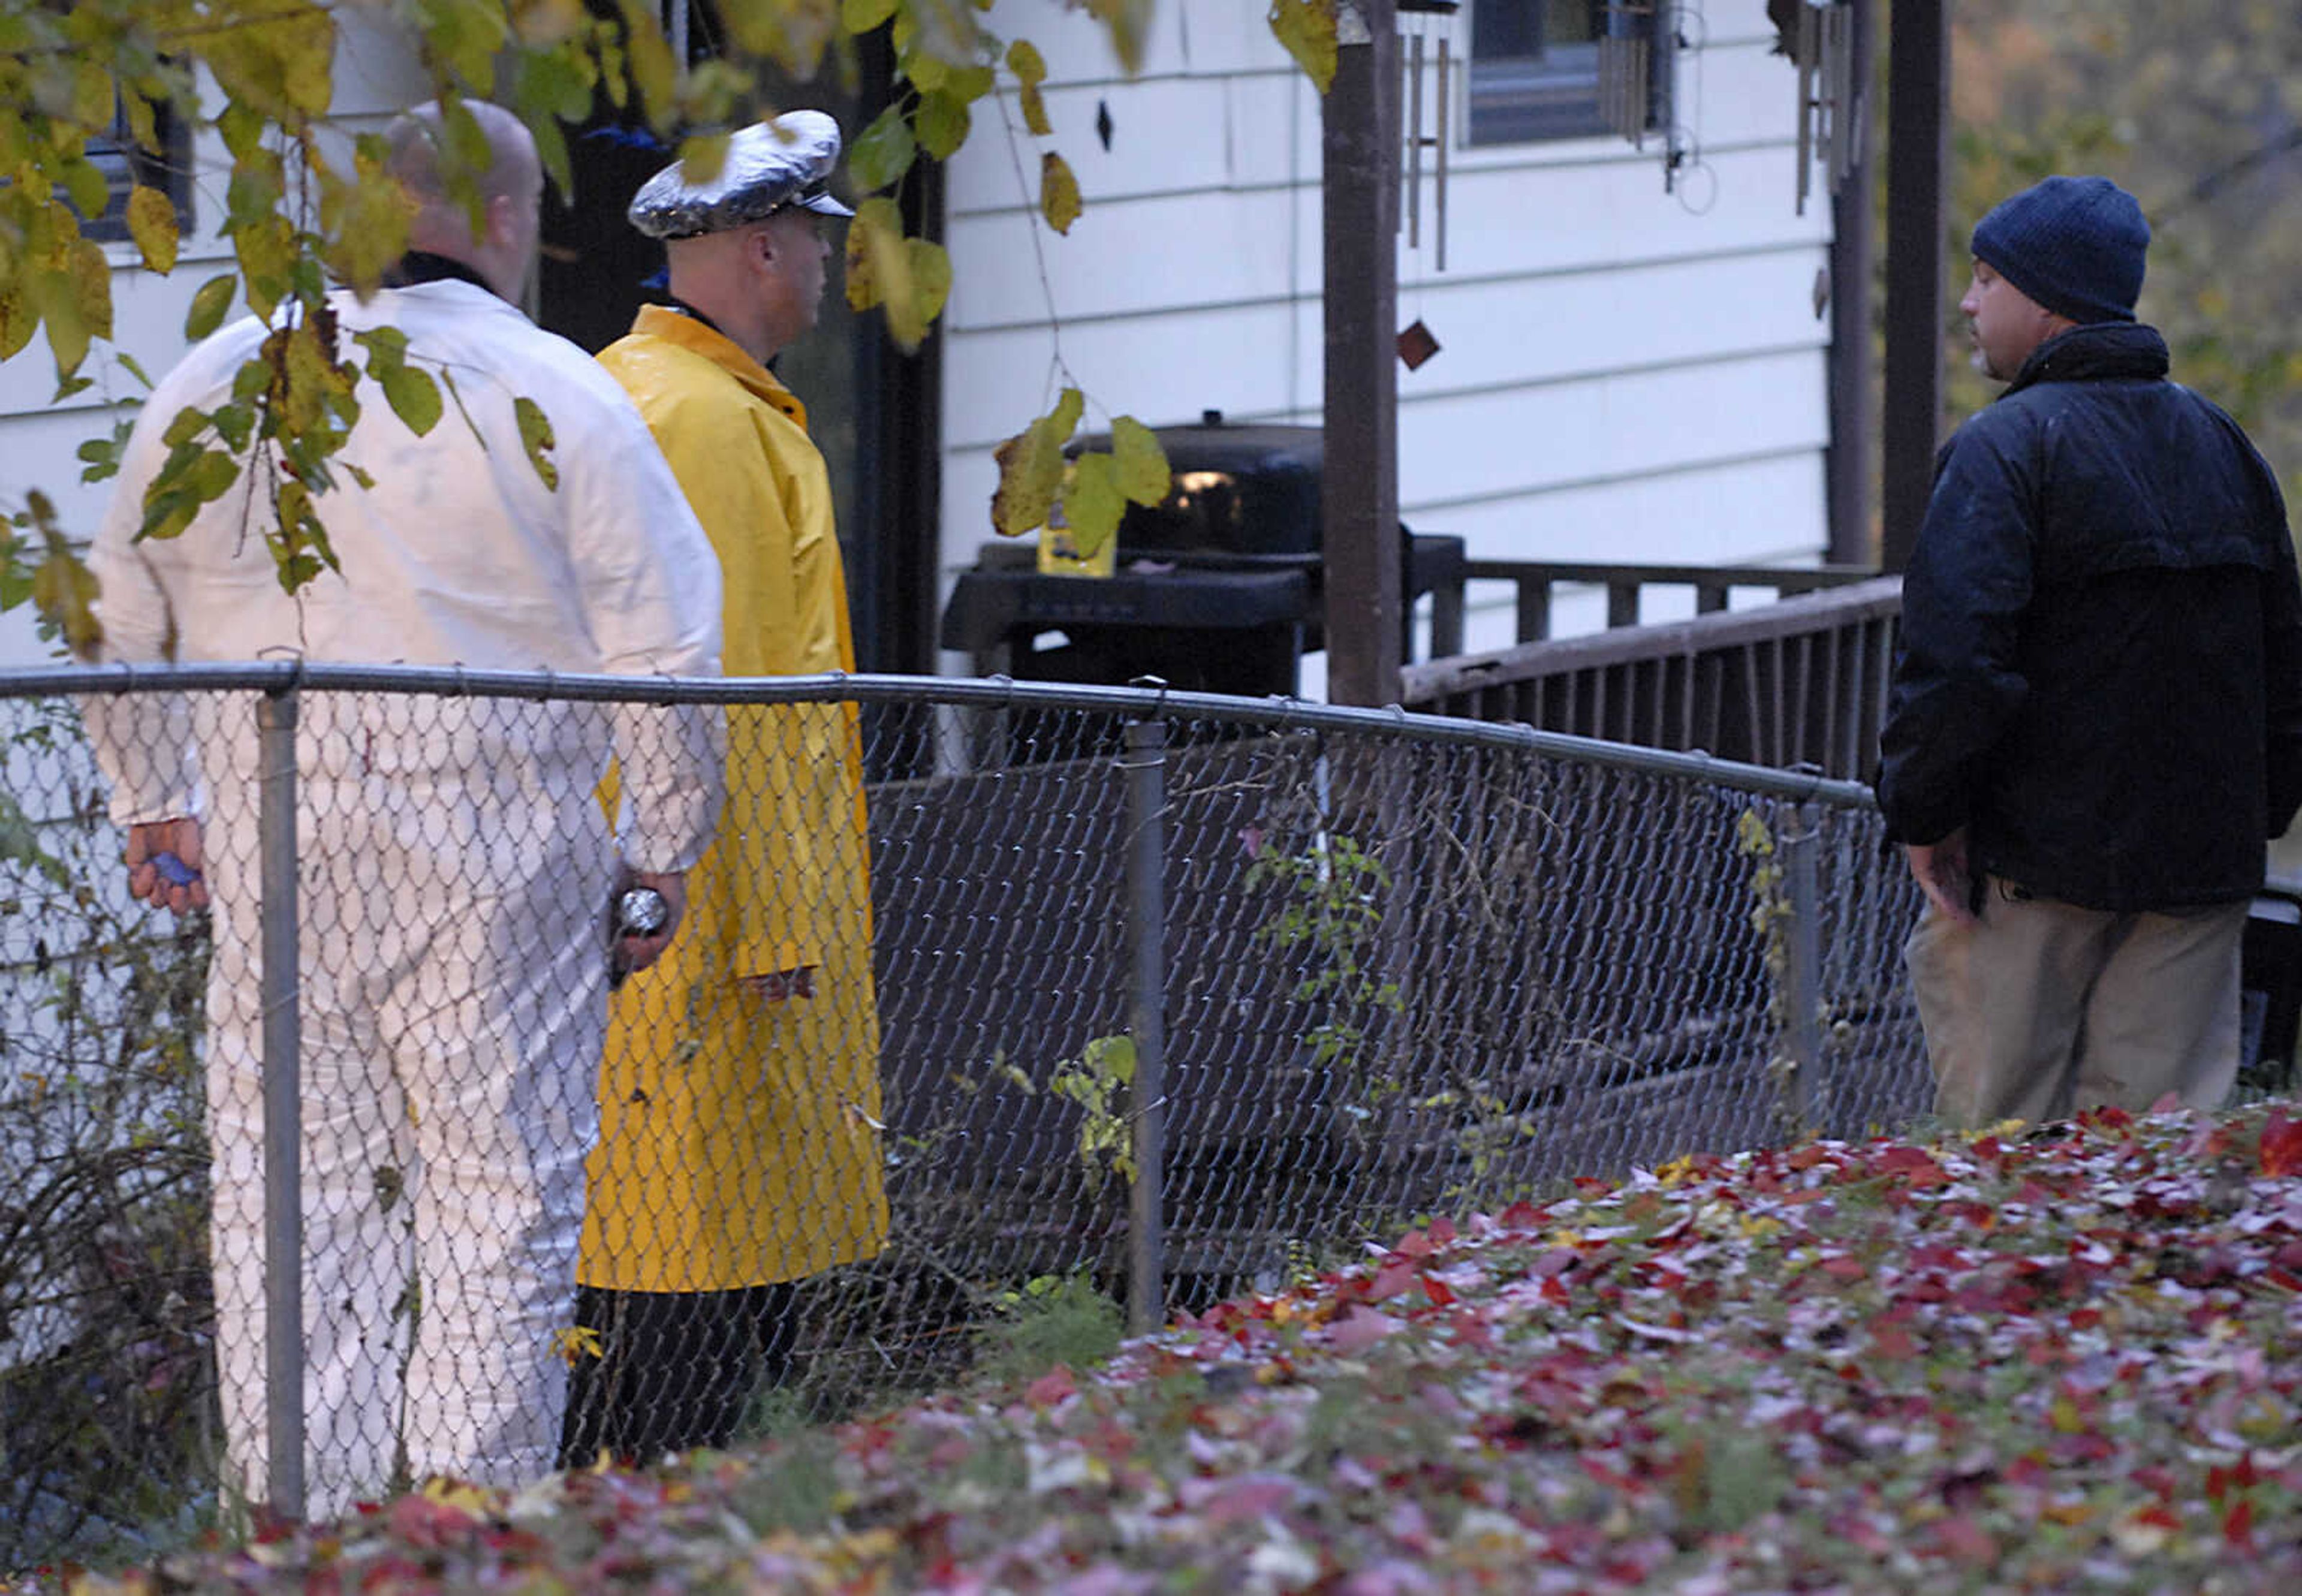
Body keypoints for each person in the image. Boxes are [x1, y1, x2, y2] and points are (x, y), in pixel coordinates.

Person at [83, 100, 727, 1514]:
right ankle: (464, 1514)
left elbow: (116, 607)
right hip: (502, 829)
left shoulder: (217, 383)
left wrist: (152, 798)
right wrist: (664, 849)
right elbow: (666, 641)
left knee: (287, 1187)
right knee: (501, 1188)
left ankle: (295, 1515)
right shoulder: (556, 389)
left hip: (275, 826)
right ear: (507, 221)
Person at [559, 111, 888, 1466]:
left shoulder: (642, 391)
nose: (825, 265)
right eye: (814, 237)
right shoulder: (706, 423)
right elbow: (734, 696)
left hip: (664, 915)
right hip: (715, 932)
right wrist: (775, 936)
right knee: (702, 1293)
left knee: (642, 1264)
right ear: (764, 247)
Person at [1878, 174, 2302, 1130]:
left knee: (2002, 1154)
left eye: (1987, 277)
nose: (1969, 301)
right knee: (2153, 1163)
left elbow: (1954, 668)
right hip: (2198, 872)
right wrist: (2258, 814)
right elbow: (2284, 663)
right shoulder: (2226, 447)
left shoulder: (2002, 451)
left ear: (2047, 299)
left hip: (2033, 869)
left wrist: (1927, 814)